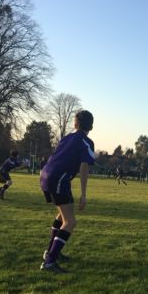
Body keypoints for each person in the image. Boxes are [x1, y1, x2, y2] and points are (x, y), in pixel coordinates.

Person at [39, 110, 95, 273]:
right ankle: (49, 262)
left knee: (61, 216)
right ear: (91, 126)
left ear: (75, 123)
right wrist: (84, 195)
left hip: (46, 174)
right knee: (70, 222)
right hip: (58, 179)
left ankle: (50, 252)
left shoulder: (67, 137)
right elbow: (84, 167)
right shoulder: (86, 142)